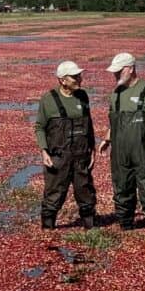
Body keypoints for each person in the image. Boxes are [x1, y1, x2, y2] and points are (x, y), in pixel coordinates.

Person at [98, 52, 145, 232]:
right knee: (121, 189)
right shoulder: (116, 94)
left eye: (118, 71)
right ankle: (126, 223)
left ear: (130, 69)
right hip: (120, 152)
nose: (115, 75)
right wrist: (107, 138)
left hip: (144, 150)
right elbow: (113, 120)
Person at [34, 61, 97, 230]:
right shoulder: (48, 99)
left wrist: (93, 149)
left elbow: (88, 124)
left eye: (79, 75)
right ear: (62, 80)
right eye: (74, 76)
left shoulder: (83, 96)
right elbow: (39, 127)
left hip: (81, 154)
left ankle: (90, 227)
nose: (79, 79)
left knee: (85, 192)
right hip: (58, 156)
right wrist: (44, 151)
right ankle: (48, 228)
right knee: (54, 194)